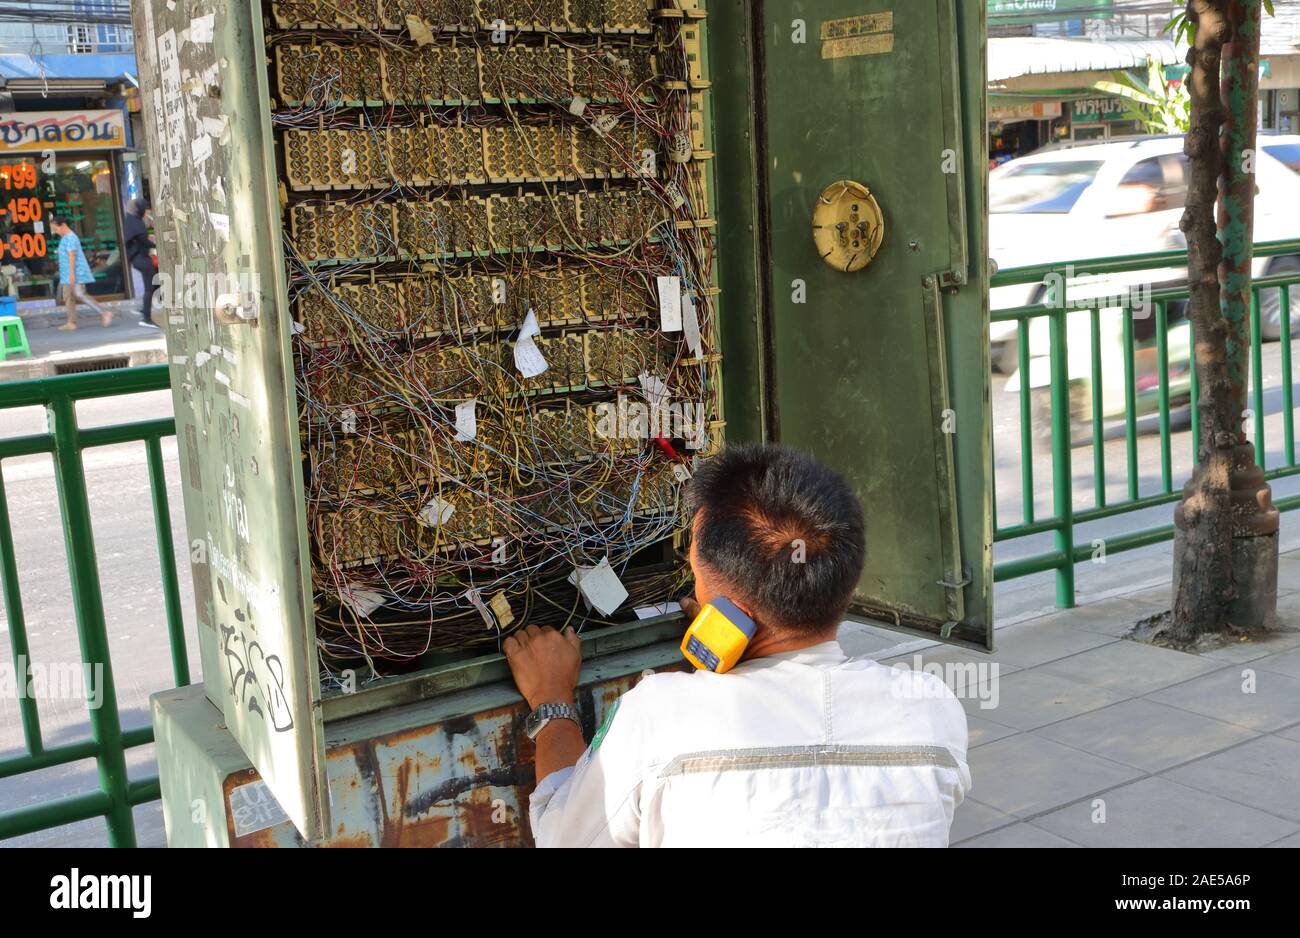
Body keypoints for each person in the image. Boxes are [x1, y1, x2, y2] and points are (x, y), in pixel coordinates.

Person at [505, 443, 971, 848]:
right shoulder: (932, 710)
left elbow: (561, 835)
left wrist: (552, 703)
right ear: (848, 586)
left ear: (722, 602)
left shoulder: (658, 719)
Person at [50, 215, 112, 330]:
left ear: (63, 225)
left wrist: (72, 274)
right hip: (66, 274)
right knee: (68, 297)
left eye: (56, 229)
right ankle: (71, 322)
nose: (56, 232)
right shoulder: (65, 238)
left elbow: (72, 256)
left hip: (75, 273)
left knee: (79, 294)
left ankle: (104, 313)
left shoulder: (71, 237)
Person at [122, 199, 157, 327]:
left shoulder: (132, 221)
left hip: (138, 259)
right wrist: (156, 244)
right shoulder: (137, 224)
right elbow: (144, 241)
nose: (146, 211)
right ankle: (146, 318)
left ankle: (145, 309)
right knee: (151, 287)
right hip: (141, 259)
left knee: (153, 284)